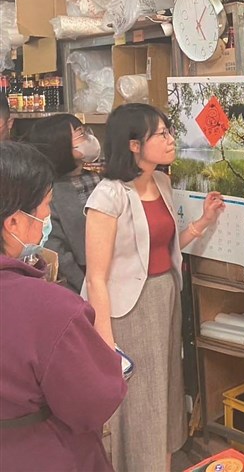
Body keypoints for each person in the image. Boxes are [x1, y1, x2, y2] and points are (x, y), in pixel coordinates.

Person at [84, 103, 224, 472]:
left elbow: (163, 246)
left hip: (166, 297)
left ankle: (161, 463)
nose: (170, 139)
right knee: (139, 397)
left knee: (165, 389)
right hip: (128, 311)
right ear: (134, 145)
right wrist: (105, 340)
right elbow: (96, 277)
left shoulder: (161, 183)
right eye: (161, 134)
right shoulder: (108, 195)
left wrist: (203, 223)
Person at [0, 141, 126, 471]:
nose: (47, 218)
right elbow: (93, 402)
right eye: (45, 206)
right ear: (13, 223)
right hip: (41, 454)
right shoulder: (50, 309)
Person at [27, 114, 103, 293]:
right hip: (81, 284)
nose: (88, 138)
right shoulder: (50, 193)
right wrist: (86, 286)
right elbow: (57, 250)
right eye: (80, 133)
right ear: (59, 145)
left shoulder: (97, 178)